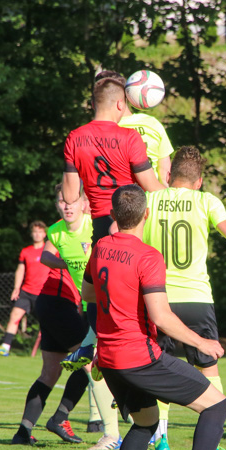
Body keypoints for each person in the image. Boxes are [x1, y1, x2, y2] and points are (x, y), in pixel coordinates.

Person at [84, 184, 226, 450]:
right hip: (138, 357)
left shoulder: (102, 247)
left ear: (113, 215)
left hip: (109, 359)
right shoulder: (147, 256)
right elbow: (162, 317)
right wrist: (202, 342)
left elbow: (88, 294)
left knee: (147, 422)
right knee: (217, 406)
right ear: (146, 215)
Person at [142, 145, 226, 450]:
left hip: (158, 299)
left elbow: (123, 234)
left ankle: (162, 438)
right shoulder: (205, 201)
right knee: (208, 366)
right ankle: (211, 444)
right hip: (197, 298)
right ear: (198, 181)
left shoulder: (151, 200)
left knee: (159, 367)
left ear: (168, 177)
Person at [60, 73, 166, 371]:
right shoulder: (129, 137)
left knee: (94, 290)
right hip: (129, 220)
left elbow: (69, 195)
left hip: (99, 225)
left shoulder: (74, 137)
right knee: (137, 289)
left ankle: (92, 342)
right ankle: (135, 359)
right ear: (121, 104)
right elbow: (150, 185)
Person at [11, 186, 118, 449]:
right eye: (62, 201)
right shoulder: (57, 230)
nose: (67, 205)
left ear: (84, 204)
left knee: (50, 372)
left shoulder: (97, 226)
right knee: (90, 363)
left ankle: (24, 432)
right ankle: (104, 431)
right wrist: (65, 263)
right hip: (58, 304)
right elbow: (45, 255)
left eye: (72, 201)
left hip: (66, 305)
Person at [0, 221, 50, 356]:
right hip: (26, 291)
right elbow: (20, 270)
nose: (37, 234)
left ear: (45, 234)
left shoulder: (50, 249)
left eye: (40, 231)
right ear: (31, 234)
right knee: (15, 316)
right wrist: (16, 288)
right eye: (35, 231)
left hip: (43, 292)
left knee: (47, 322)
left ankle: (49, 351)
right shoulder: (26, 251)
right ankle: (5, 347)